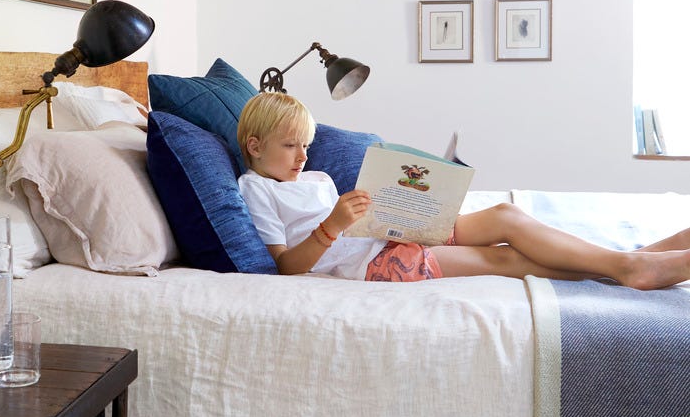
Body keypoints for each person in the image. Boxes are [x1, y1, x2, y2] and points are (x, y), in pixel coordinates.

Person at [236, 92, 690, 288]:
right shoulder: (256, 189)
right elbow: (287, 267)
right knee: (505, 258)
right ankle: (628, 267)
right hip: (375, 261)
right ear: (254, 146)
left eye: (306, 146)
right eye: (290, 145)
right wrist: (333, 226)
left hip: (390, 232)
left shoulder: (315, 179)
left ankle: (635, 259)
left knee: (504, 217)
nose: (302, 156)